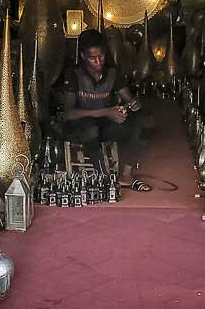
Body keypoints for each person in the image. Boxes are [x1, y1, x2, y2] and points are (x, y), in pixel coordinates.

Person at [57, 29, 150, 191]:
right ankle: (104, 178)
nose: (98, 61)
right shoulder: (74, 74)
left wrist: (134, 104)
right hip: (80, 127)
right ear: (83, 56)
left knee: (144, 119)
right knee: (90, 129)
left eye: (101, 56)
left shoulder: (111, 73)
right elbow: (68, 114)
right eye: (92, 58)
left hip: (105, 126)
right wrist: (106, 112)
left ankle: (126, 176)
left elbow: (130, 99)